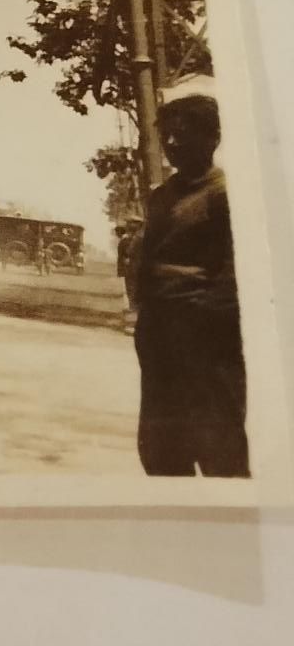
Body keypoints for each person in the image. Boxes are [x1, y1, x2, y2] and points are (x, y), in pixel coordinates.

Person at [130, 74, 248, 477]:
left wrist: (202, 318)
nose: (173, 144)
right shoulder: (163, 196)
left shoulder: (226, 194)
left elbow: (237, 274)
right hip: (160, 339)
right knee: (161, 451)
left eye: (184, 135)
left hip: (207, 342)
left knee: (219, 447)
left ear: (213, 137)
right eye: (168, 137)